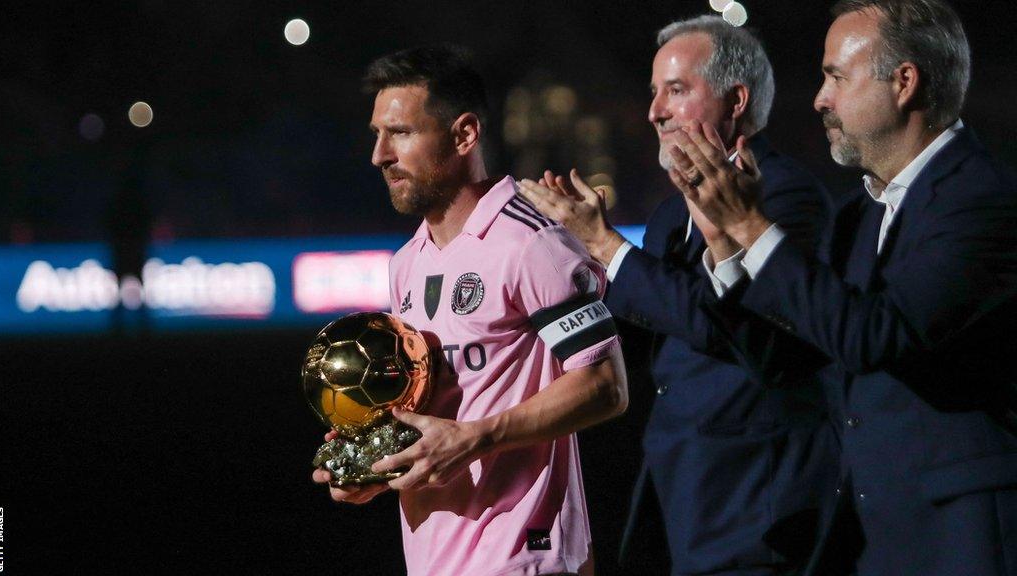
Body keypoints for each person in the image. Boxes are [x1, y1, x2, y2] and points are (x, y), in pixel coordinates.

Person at [666, 1, 1017, 574]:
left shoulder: (981, 199)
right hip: (869, 535)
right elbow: (788, 359)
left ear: (904, 83)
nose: (819, 99)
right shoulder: (858, 215)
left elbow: (875, 336)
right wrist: (726, 246)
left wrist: (754, 226)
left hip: (963, 534)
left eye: (835, 76)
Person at [519, 15, 836, 576]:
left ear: (736, 100)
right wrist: (568, 266)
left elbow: (720, 324)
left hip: (758, 506)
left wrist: (607, 243)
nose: (654, 111)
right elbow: (640, 338)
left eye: (677, 90)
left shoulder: (789, 201)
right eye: (653, 92)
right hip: (676, 496)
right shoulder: (669, 216)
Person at [311, 44, 629, 576]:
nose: (380, 155)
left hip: (525, 555)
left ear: (464, 135)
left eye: (402, 133)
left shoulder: (530, 243)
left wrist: (475, 438)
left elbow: (605, 385)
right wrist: (372, 458)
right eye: (377, 135)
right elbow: (439, 407)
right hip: (436, 557)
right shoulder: (407, 263)